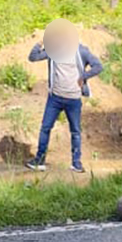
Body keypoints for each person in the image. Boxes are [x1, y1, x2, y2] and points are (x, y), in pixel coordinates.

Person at [24, 19, 103, 173]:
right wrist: (41, 42)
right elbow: (33, 57)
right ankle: (39, 160)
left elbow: (98, 66)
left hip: (73, 99)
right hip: (55, 98)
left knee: (75, 131)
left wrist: (84, 77)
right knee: (45, 128)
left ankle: (76, 163)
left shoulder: (82, 51)